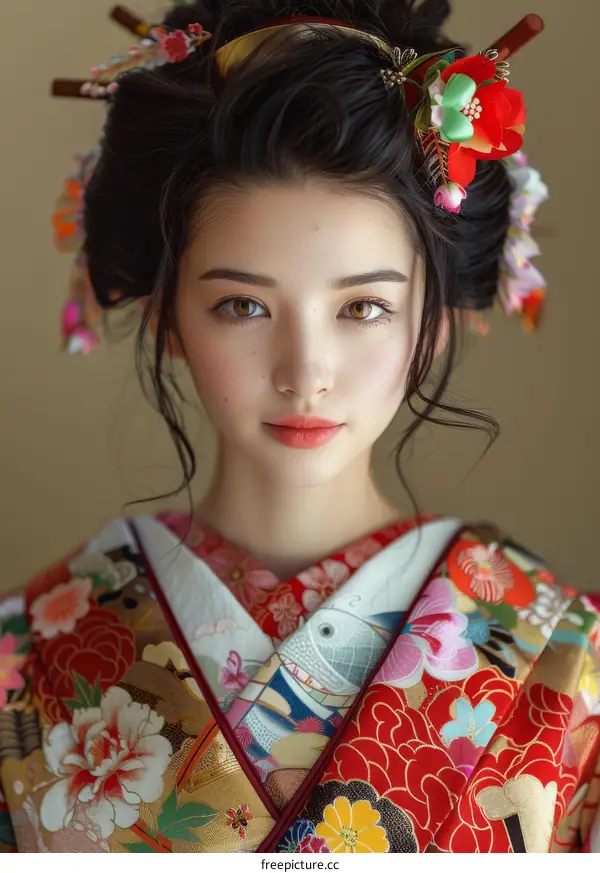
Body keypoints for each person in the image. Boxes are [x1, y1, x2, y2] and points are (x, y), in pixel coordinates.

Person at [0, 0, 598, 854]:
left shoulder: (568, 666)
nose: (304, 369)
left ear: (432, 317)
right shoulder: (25, 662)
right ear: (168, 314)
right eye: (241, 304)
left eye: (364, 306)